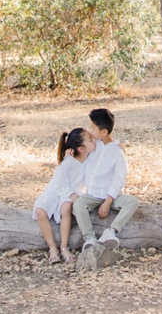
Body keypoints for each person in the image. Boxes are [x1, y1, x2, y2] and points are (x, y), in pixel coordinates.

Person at [73, 107, 138, 250]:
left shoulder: (117, 152)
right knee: (78, 205)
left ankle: (111, 231)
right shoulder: (93, 145)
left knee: (132, 201)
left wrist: (108, 202)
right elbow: (77, 150)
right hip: (93, 194)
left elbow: (119, 179)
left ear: (104, 132)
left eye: (93, 128)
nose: (90, 131)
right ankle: (89, 238)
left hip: (110, 196)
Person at [34, 127, 94, 265]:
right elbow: (60, 183)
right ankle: (52, 247)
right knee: (40, 210)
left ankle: (64, 247)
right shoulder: (69, 161)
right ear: (81, 149)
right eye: (90, 140)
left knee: (66, 208)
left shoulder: (91, 157)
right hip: (57, 189)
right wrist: (70, 194)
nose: (93, 141)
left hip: (74, 190)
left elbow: (101, 144)